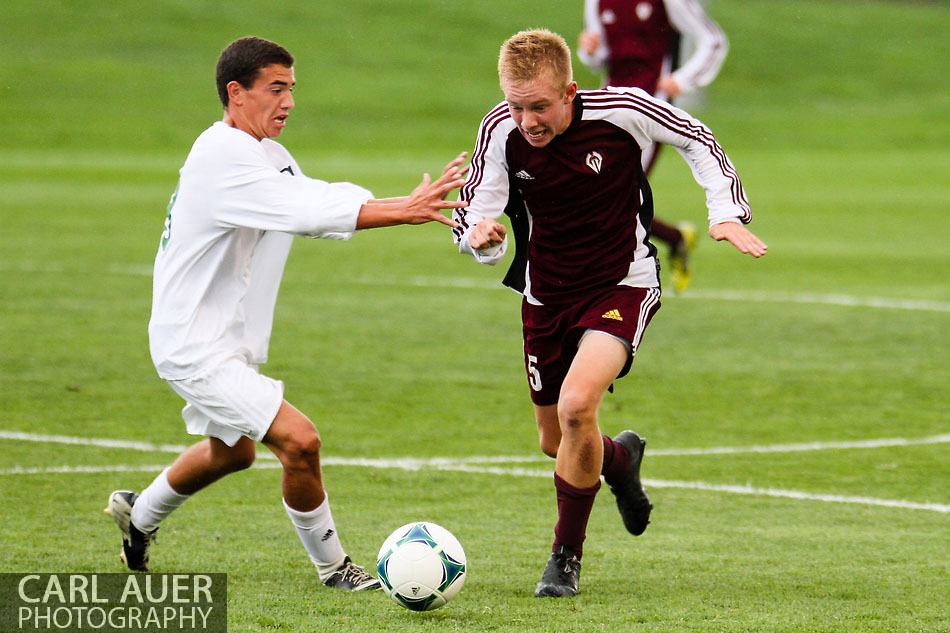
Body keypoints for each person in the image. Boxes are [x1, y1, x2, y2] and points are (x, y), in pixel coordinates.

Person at [104, 36, 468, 591]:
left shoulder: (263, 153)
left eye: (292, 89)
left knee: (232, 453)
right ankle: (334, 569)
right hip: (193, 342)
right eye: (276, 89)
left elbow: (317, 198)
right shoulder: (221, 156)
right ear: (236, 93)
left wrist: (405, 205)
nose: (289, 102)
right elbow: (304, 210)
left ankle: (139, 515)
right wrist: (404, 211)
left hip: (223, 336)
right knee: (300, 441)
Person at [452, 29, 765, 598]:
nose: (527, 120)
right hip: (545, 294)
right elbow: (477, 211)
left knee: (577, 407)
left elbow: (697, 137)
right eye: (517, 106)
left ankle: (563, 559)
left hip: (621, 285)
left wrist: (725, 212)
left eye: (540, 106)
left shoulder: (624, 111)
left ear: (571, 91)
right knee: (557, 441)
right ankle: (621, 460)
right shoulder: (499, 131)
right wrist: (483, 238)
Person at [578, 0, 729, 292]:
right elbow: (599, 59)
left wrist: (682, 80)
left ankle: (623, 283)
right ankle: (675, 240)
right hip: (607, 109)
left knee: (612, 197)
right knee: (600, 195)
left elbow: (713, 41)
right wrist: (589, 49)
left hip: (650, 112)